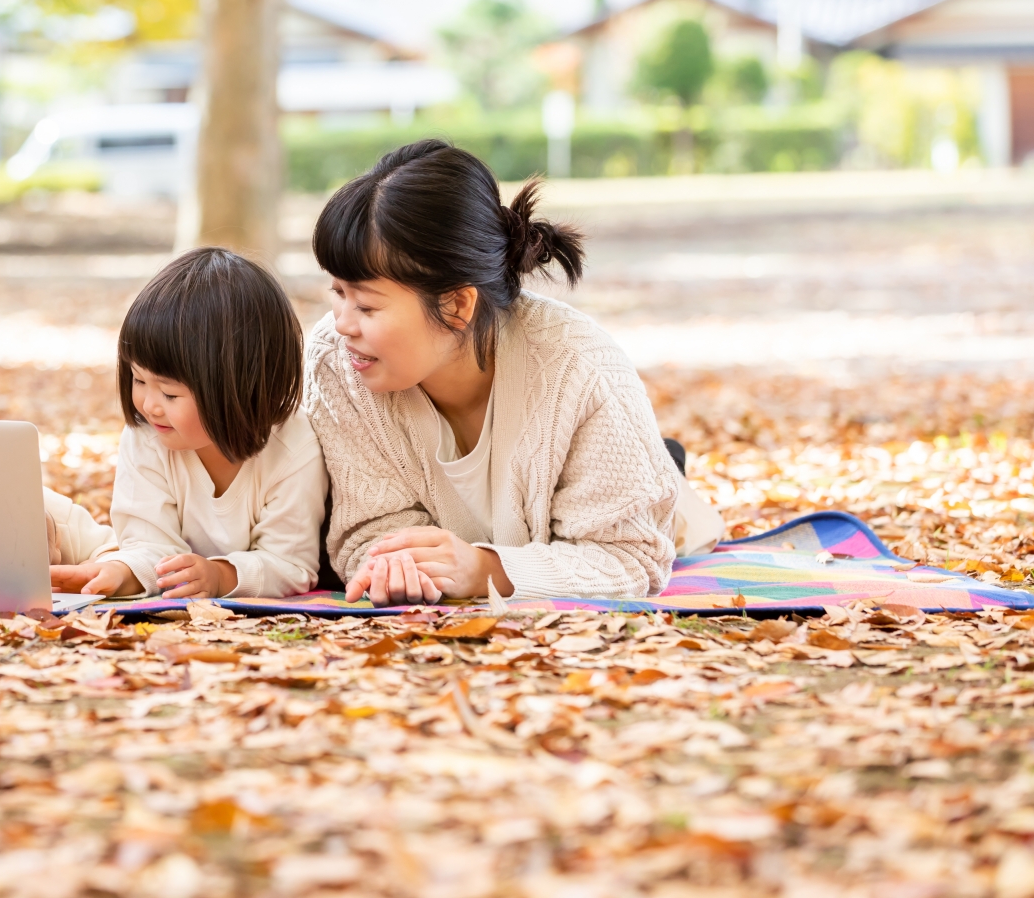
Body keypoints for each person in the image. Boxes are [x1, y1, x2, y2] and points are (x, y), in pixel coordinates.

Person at [303, 140, 724, 606]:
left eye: (366, 304)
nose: (342, 324)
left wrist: (486, 569)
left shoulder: (581, 369)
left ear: (457, 304)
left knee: (657, 501)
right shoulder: (336, 361)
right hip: (480, 525)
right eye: (337, 292)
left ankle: (666, 470)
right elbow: (367, 529)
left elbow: (629, 557)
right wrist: (395, 565)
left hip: (605, 503)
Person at [52, 247, 326, 600]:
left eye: (170, 393)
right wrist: (121, 573)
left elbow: (290, 564)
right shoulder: (146, 435)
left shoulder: (293, 447)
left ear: (238, 387)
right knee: (43, 508)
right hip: (132, 554)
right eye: (138, 380)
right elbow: (148, 544)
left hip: (236, 585)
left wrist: (220, 576)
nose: (149, 406)